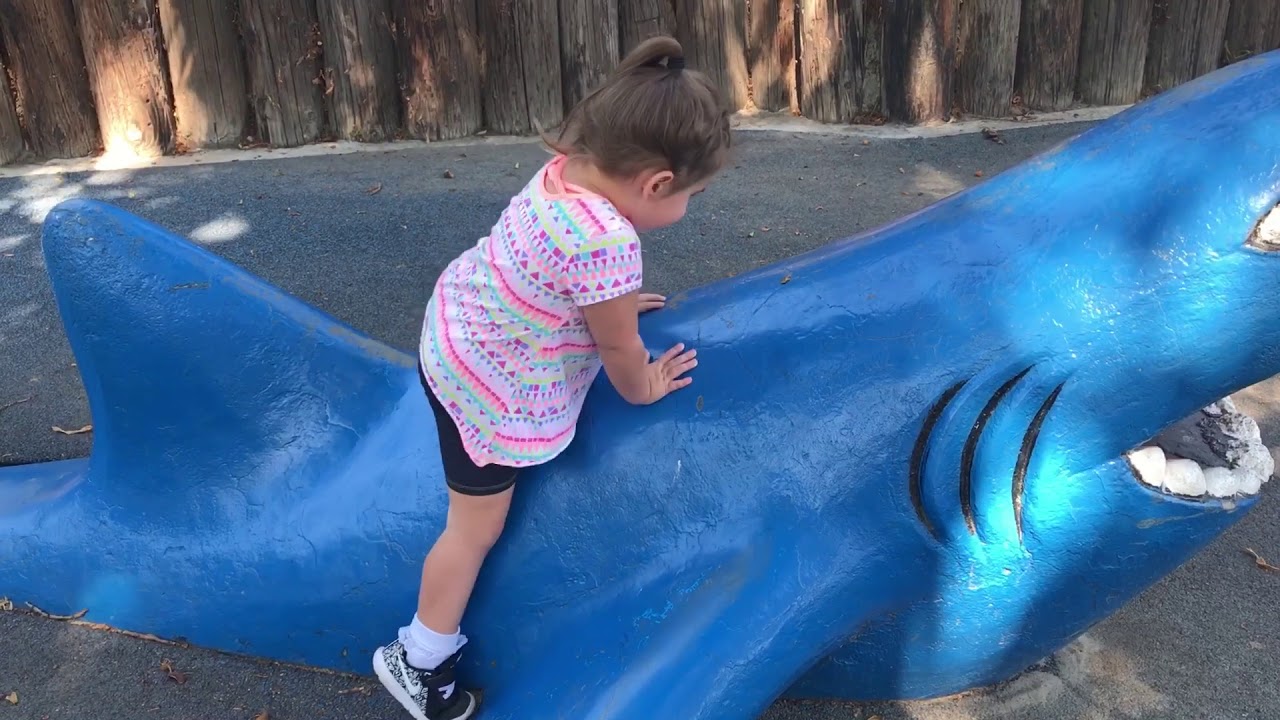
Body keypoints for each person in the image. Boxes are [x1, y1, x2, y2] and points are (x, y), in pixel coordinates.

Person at [371, 34, 733, 720]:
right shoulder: (607, 244)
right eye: (694, 193)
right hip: (486, 384)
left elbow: (569, 277)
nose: (690, 206)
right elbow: (622, 354)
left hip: (458, 321)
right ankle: (418, 659)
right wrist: (644, 383)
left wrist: (615, 300)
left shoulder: (569, 170)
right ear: (656, 184)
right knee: (474, 529)